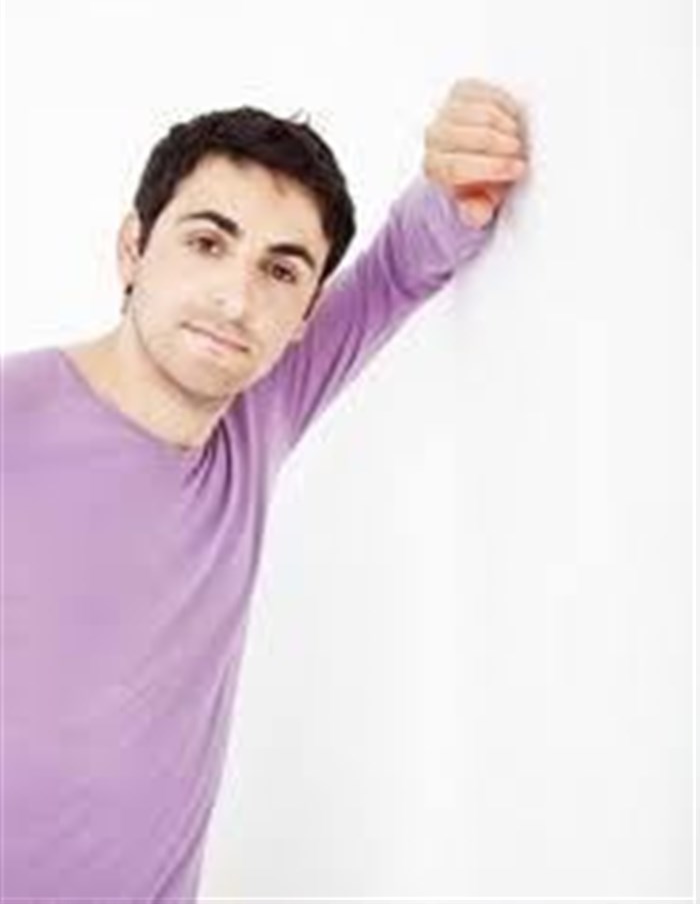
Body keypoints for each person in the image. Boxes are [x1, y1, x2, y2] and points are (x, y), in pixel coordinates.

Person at [1, 77, 529, 898]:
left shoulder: (259, 412)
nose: (236, 298)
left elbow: (397, 268)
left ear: (305, 312)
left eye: (280, 271)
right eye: (208, 243)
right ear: (134, 249)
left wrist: (456, 177)